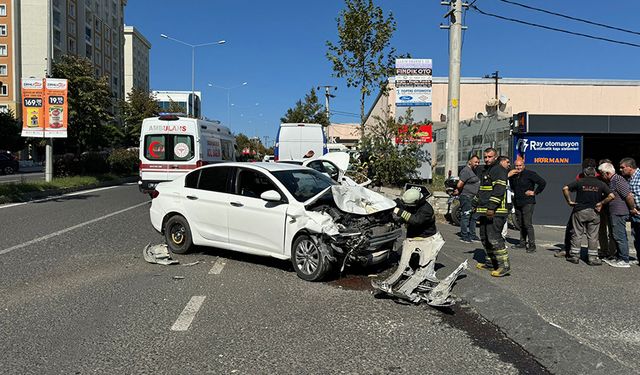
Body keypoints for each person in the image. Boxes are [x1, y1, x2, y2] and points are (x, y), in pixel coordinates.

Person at [562, 166, 614, 265]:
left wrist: (569, 201)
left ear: (585, 174)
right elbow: (611, 195)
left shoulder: (580, 181)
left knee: (577, 233)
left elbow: (565, 188)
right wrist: (601, 203)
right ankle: (592, 258)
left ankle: (574, 256)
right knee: (593, 236)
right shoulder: (601, 184)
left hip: (579, 210)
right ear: (595, 174)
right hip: (594, 211)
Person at [473, 148, 511, 277]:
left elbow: (499, 190)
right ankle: (490, 263)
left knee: (494, 238)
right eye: (485, 157)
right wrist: (475, 204)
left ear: (495, 157)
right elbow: (482, 190)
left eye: (490, 157)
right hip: (484, 210)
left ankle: (504, 266)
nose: (487, 159)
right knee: (484, 238)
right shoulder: (485, 170)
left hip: (496, 211)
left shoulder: (499, 170)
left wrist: (491, 208)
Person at [598, 162, 634, 268]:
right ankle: (620, 257)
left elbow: (628, 195)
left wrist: (632, 209)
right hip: (615, 212)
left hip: (619, 212)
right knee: (617, 235)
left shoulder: (618, 180)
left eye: (602, 174)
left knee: (619, 236)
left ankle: (624, 259)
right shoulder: (613, 180)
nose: (601, 176)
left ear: (608, 173)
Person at [508, 158, 547, 253]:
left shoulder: (530, 174)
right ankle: (522, 243)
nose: (518, 167)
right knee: (520, 224)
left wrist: (535, 192)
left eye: (520, 165)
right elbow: (512, 187)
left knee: (527, 224)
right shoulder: (513, 175)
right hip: (517, 202)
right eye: (516, 166)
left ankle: (532, 245)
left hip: (528, 202)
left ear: (524, 166)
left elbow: (542, 182)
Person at [454, 155, 481, 243]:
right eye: (475, 162)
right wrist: (458, 190)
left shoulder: (473, 171)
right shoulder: (466, 171)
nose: (477, 164)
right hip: (466, 197)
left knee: (473, 217)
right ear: (470, 162)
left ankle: (472, 235)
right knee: (466, 216)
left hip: (473, 198)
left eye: (478, 162)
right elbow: (459, 184)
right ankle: (464, 235)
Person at [619, 157, 640, 266]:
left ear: (630, 167)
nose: (620, 169)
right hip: (635, 213)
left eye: (623, 167)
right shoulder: (630, 178)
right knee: (636, 236)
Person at [498, 156, 513, 240]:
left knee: (504, 219)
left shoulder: (507, 171)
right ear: (501, 162)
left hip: (507, 200)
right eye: (507, 162)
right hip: (499, 201)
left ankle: (502, 237)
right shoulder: (498, 172)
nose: (509, 164)